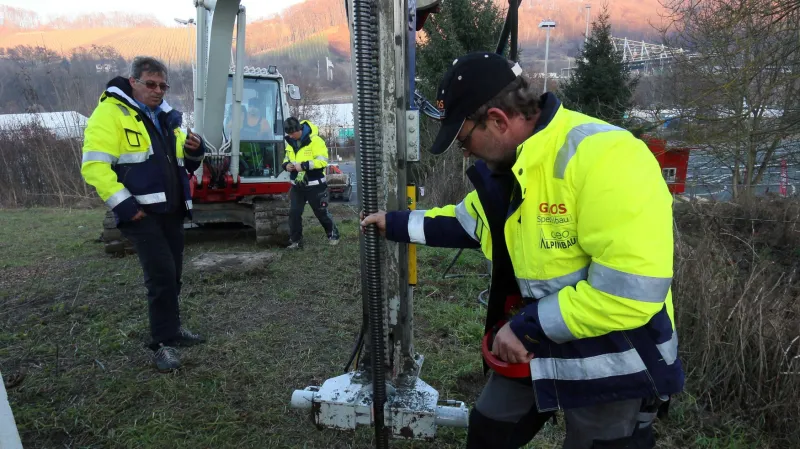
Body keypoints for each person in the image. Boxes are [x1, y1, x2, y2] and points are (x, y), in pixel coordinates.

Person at [360, 52, 684, 449]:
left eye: (464, 139)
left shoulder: (608, 156)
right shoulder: (509, 170)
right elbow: (463, 223)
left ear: (498, 120)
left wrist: (526, 327)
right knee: (488, 432)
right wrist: (392, 223)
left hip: (615, 357)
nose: (466, 152)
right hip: (538, 343)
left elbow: (629, 293)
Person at [81, 56, 207, 372]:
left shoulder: (165, 117)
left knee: (173, 274)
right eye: (151, 84)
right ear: (133, 82)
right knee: (161, 275)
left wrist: (194, 150)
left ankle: (173, 330)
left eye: (163, 86)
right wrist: (125, 206)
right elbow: (95, 166)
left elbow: (180, 162)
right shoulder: (109, 114)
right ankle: (162, 344)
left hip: (171, 210)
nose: (158, 91)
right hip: (142, 214)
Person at [282, 116, 340, 248]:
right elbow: (286, 158)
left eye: (292, 133)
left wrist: (305, 165)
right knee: (294, 213)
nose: (290, 136)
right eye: (288, 134)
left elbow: (323, 161)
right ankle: (296, 241)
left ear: (298, 129)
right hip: (297, 185)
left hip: (315, 185)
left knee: (321, 212)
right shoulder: (290, 142)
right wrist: (286, 165)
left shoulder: (316, 141)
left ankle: (333, 234)